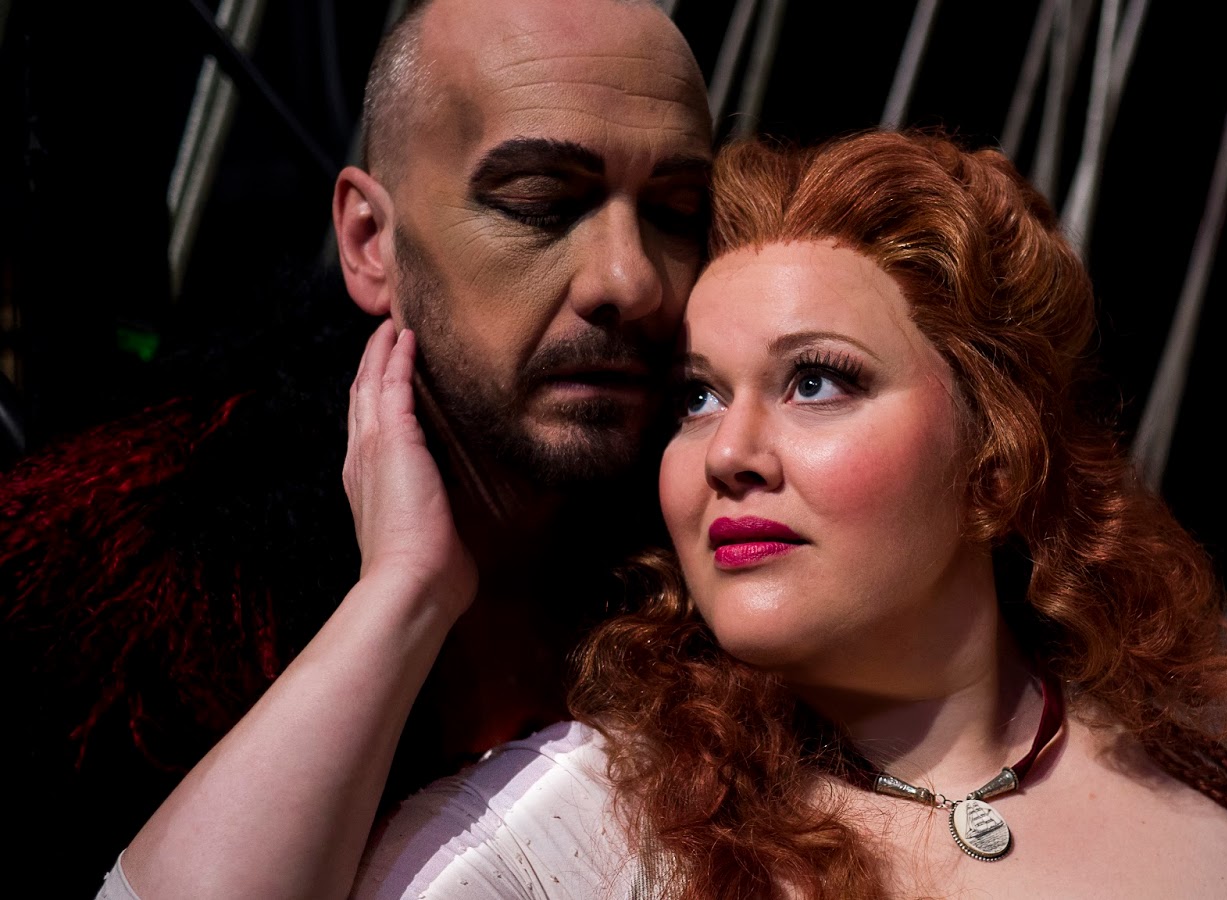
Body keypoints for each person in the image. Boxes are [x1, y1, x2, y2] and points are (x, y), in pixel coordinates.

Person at [103, 130, 1227, 899]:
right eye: (693, 397)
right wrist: (402, 585)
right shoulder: (594, 828)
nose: (730, 452)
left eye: (816, 381)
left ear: (996, 454)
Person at [0, 0, 712, 892]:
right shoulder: (118, 593)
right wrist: (403, 594)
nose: (631, 279)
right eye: (540, 203)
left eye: (679, 212)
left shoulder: (733, 560)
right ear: (370, 241)